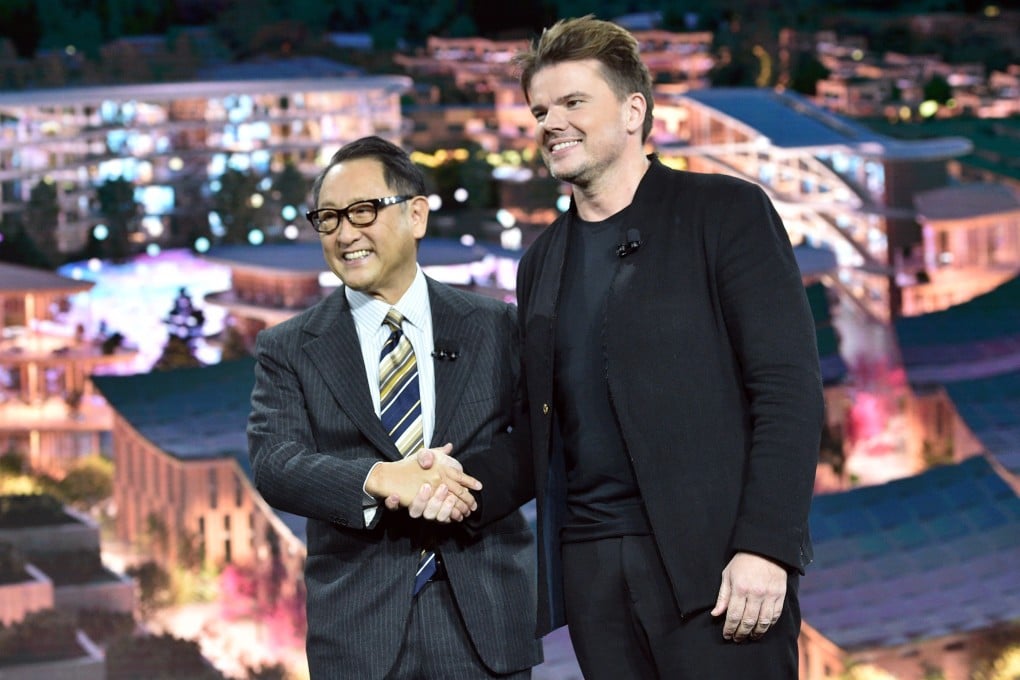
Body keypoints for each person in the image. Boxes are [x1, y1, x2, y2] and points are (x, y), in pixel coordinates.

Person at [508, 15, 825, 679]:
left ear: (633, 111)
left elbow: (788, 390)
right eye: (540, 109)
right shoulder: (540, 262)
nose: (550, 123)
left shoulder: (726, 213)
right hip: (594, 575)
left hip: (716, 572)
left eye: (572, 102)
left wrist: (767, 548)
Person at [247, 136, 542, 679]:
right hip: (359, 636)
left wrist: (460, 490)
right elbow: (274, 463)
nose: (345, 232)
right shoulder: (288, 347)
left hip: (485, 623)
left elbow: (535, 442)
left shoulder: (495, 326)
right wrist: (382, 478)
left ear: (417, 215)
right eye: (329, 218)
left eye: (363, 211)